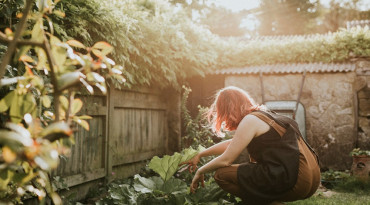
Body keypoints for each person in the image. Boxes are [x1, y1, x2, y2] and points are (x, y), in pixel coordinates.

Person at [181, 86, 320, 205]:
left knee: (221, 175)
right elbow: (233, 144)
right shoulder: (263, 115)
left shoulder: (250, 120)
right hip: (311, 179)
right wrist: (201, 154)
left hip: (296, 181)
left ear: (228, 108)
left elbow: (226, 159)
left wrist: (201, 171)